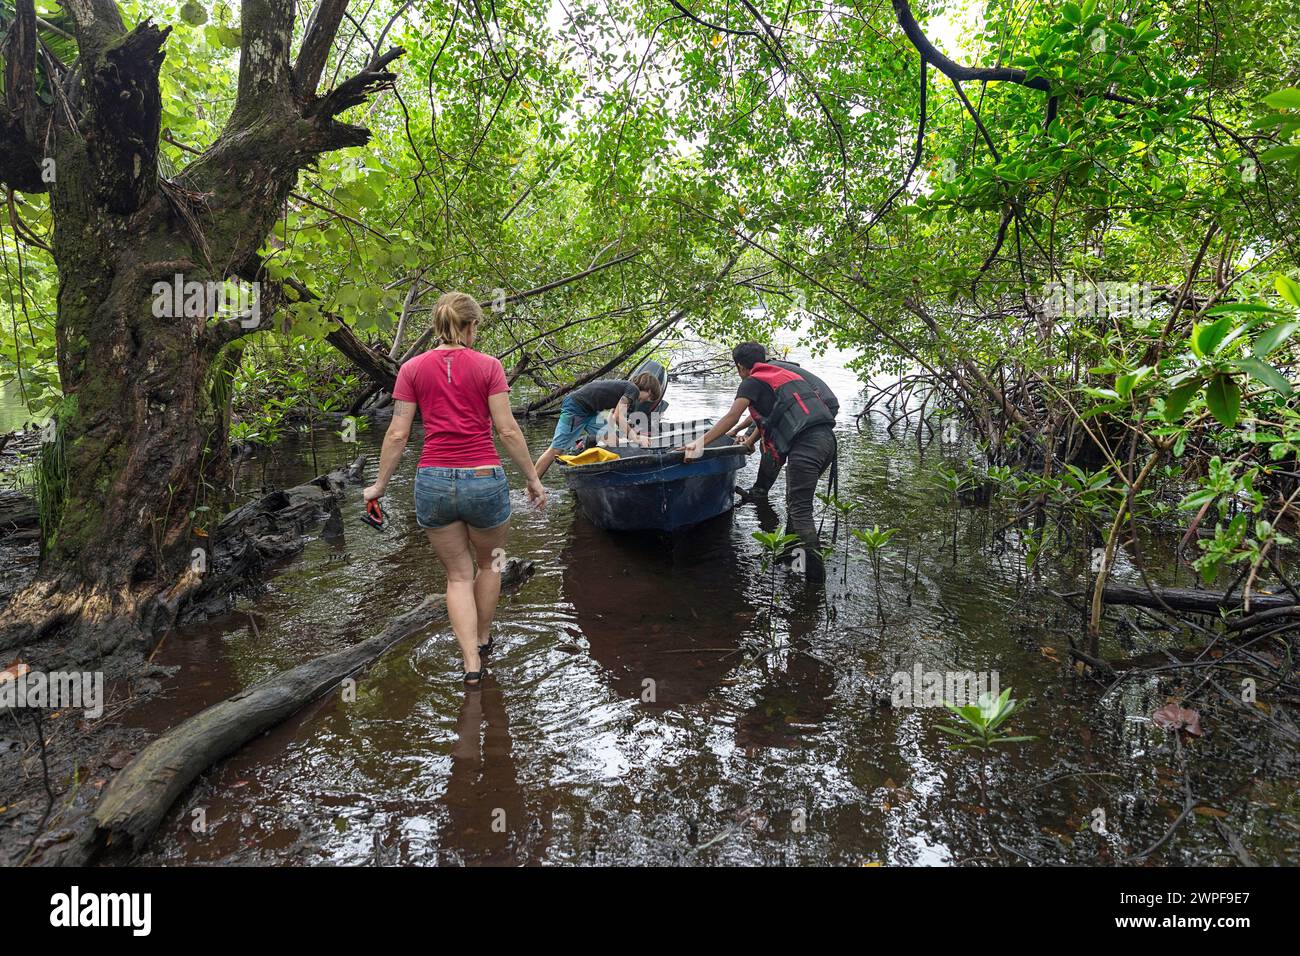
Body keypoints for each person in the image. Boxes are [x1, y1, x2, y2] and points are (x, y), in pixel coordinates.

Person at [364, 292, 546, 686]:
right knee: (491, 564)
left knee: (458, 577)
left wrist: (378, 485)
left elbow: (397, 434)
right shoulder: (489, 367)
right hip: (484, 480)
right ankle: (482, 638)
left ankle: (470, 665)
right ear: (469, 326)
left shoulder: (411, 369)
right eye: (476, 325)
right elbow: (508, 430)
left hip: (432, 481)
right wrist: (533, 478)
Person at [683, 342, 837, 583]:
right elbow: (770, 418)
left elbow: (732, 415)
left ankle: (815, 582)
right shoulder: (782, 376)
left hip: (806, 446)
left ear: (741, 367)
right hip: (827, 441)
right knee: (794, 503)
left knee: (800, 510)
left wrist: (698, 444)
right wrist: (749, 440)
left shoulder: (751, 381)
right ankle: (790, 561)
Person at [727, 347, 839, 500]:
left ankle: (761, 491)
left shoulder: (765, 375)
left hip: (816, 405)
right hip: (819, 407)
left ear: (741, 366)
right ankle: (791, 492)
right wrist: (740, 431)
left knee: (771, 443)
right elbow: (769, 414)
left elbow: (770, 420)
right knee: (798, 487)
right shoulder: (771, 370)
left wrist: (748, 438)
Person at [533, 373, 664, 478]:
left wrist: (629, 432)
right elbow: (619, 416)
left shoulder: (626, 389)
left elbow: (613, 416)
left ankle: (607, 475)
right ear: (648, 390)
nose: (645, 401)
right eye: (649, 397)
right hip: (576, 408)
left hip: (590, 412)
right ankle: (531, 485)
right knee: (556, 449)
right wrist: (636, 438)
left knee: (612, 440)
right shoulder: (633, 390)